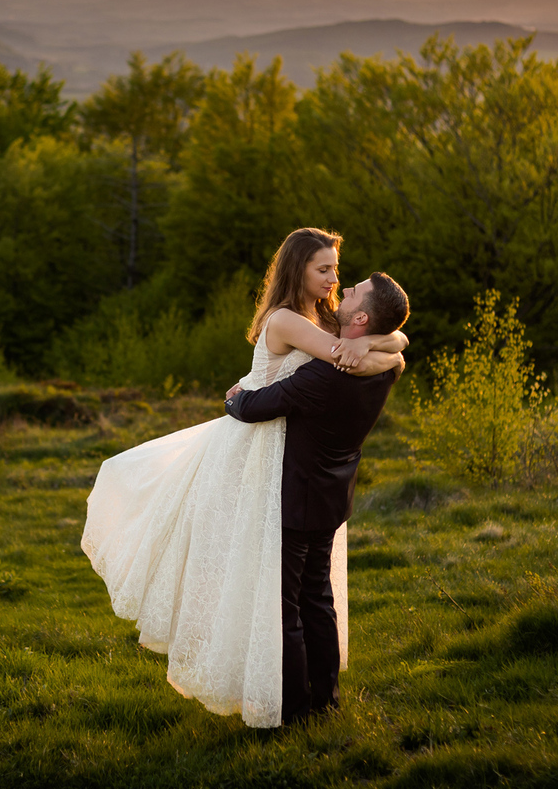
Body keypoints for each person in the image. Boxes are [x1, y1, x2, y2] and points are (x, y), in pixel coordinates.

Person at [80, 228, 407, 728]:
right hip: (262, 460)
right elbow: (353, 348)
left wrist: (389, 341)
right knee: (296, 591)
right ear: (297, 269)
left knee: (291, 598)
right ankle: (316, 703)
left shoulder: (324, 324)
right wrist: (390, 343)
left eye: (338, 272)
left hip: (284, 465)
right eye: (324, 269)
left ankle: (301, 709)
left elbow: (357, 347)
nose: (334, 279)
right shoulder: (290, 321)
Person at [225, 270, 410, 724]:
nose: (342, 288)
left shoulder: (322, 378)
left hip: (295, 497)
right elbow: (397, 341)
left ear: (361, 317)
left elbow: (252, 407)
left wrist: (232, 398)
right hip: (333, 495)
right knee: (318, 599)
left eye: (353, 293)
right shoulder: (384, 368)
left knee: (287, 607)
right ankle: (326, 701)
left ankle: (296, 711)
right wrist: (372, 343)